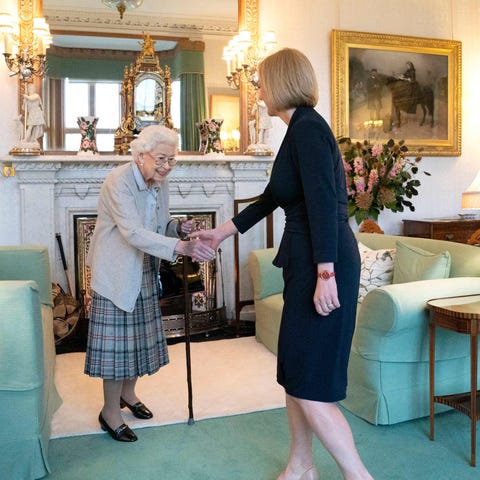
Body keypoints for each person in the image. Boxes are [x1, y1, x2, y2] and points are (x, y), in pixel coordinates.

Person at [191, 49, 374, 480]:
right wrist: (221, 232)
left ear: (282, 81)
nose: (257, 89)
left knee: (311, 384)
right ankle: (301, 465)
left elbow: (325, 205)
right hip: (306, 262)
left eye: (261, 81)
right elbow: (274, 197)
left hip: (321, 263)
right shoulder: (296, 132)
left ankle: (358, 476)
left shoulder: (308, 130)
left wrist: (325, 273)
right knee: (296, 372)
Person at [84, 125, 216, 443]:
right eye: (161, 158)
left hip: (143, 267)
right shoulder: (119, 182)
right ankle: (109, 412)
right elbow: (131, 232)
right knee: (117, 349)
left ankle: (128, 395)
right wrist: (181, 248)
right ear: (141, 155)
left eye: (172, 160)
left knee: (137, 342)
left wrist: (176, 228)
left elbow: (157, 224)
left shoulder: (159, 182)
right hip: (116, 271)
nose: (166, 166)